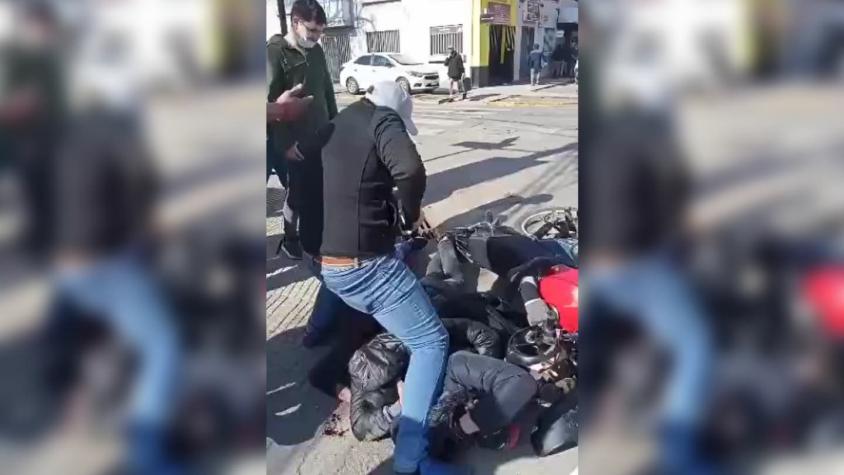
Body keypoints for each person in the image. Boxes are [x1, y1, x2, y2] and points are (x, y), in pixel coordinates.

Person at [295, 80, 470, 475]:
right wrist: (408, 215)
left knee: (347, 290)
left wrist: (308, 226)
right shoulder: (382, 119)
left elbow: (295, 155)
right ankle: (411, 460)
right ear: (392, 110)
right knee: (430, 341)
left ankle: (314, 332)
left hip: (324, 262)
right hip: (363, 266)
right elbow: (409, 168)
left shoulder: (337, 123)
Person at [267, 0, 337, 260]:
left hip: (321, 134)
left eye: (320, 31)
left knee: (318, 189)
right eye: (312, 31)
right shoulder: (276, 52)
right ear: (295, 23)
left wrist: (337, 124)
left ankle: (314, 237)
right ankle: (291, 238)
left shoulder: (316, 51)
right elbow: (271, 102)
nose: (317, 37)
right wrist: (285, 143)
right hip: (295, 141)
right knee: (297, 192)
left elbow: (327, 90)